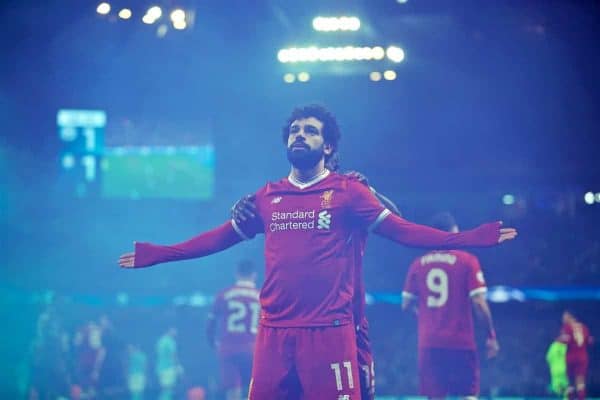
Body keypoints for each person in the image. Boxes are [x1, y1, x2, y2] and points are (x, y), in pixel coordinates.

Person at [119, 104, 517, 399]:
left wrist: (473, 237)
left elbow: (405, 231)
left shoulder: (347, 191)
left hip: (330, 333)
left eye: (310, 131)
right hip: (273, 334)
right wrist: (158, 253)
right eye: (294, 130)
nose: (299, 135)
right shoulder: (267, 197)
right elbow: (215, 239)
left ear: (327, 146)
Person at [230, 163, 400, 400]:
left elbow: (396, 219)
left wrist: (370, 190)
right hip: (299, 324)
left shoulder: (348, 198)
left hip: (348, 322)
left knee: (362, 393)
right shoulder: (291, 205)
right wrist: (237, 208)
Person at [402, 212, 499, 399]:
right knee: (467, 394)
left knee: (435, 396)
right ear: (453, 232)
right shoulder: (467, 261)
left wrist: (427, 317)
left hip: (429, 343)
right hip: (460, 342)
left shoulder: (418, 264)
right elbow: (479, 303)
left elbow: (406, 304)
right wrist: (491, 335)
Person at [206, 260, 260, 400]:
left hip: (229, 349)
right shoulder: (262, 297)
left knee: (233, 391)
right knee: (253, 390)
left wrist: (213, 343)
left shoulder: (223, 295)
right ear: (254, 275)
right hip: (254, 350)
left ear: (236, 274)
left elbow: (210, 324)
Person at [557, 311, 594, 400]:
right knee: (580, 380)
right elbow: (590, 341)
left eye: (564, 316)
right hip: (583, 357)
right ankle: (581, 398)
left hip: (571, 356)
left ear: (570, 317)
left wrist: (558, 339)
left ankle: (570, 398)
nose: (563, 319)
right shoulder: (583, 327)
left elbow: (566, 339)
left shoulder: (567, 327)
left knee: (570, 381)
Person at [155, 327, 182, 400]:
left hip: (160, 368)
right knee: (169, 389)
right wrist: (178, 367)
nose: (176, 333)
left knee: (165, 389)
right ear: (170, 330)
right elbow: (173, 355)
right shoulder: (170, 341)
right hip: (168, 368)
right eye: (175, 331)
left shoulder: (160, 341)